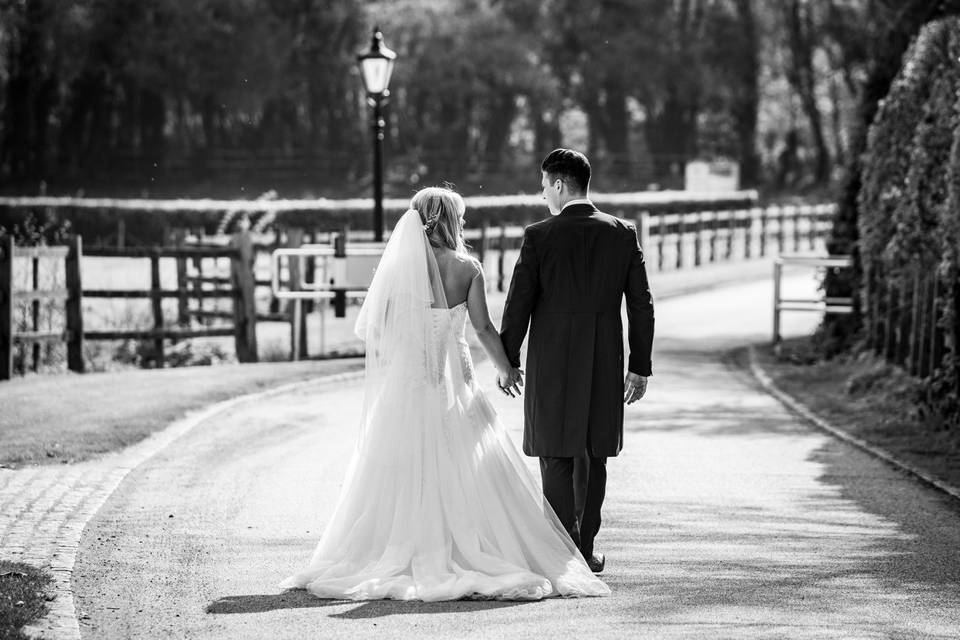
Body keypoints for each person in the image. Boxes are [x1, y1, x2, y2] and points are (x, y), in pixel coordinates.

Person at [279, 186, 610, 601]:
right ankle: (466, 546)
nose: (464, 224)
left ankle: (397, 548)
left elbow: (378, 330)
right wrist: (507, 368)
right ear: (451, 221)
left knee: (398, 466)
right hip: (455, 382)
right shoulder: (467, 268)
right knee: (466, 463)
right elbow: (484, 329)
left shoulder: (398, 269)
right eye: (462, 217)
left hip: (407, 384)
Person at [500, 149, 655, 574]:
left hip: (552, 360)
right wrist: (639, 365)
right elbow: (641, 304)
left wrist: (506, 359)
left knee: (555, 452)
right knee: (595, 451)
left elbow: (518, 306)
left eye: (544, 185)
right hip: (604, 358)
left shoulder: (538, 236)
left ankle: (560, 546)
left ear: (560, 185)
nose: (542, 193)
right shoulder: (622, 233)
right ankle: (584, 548)